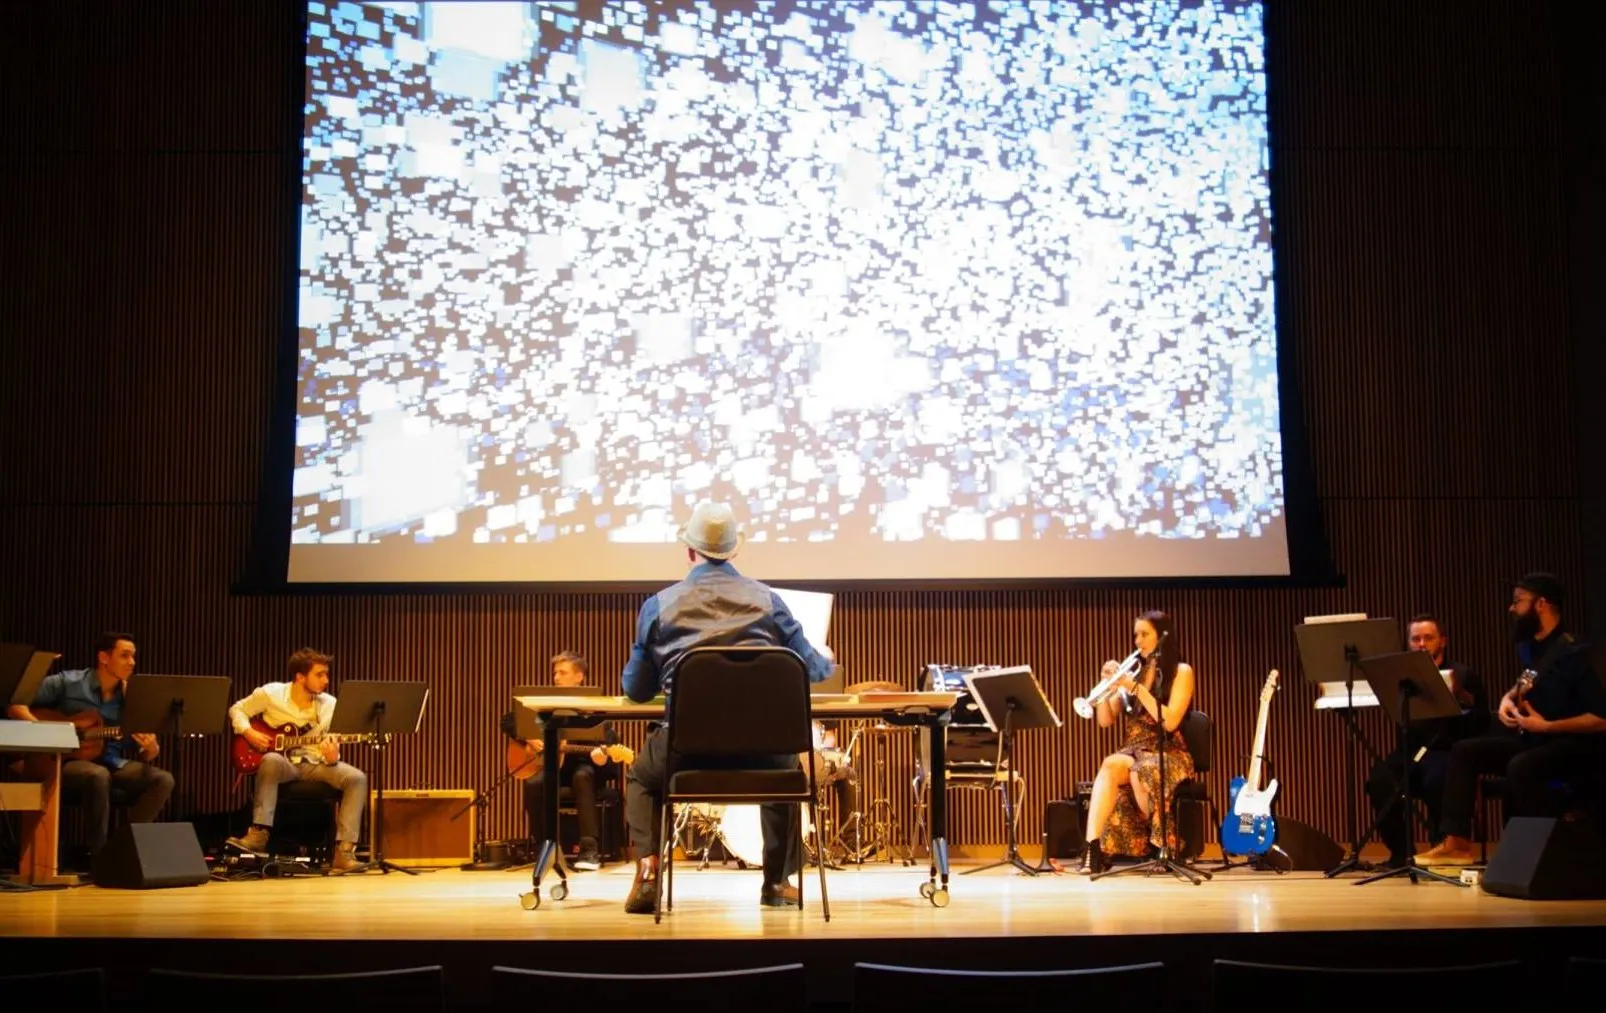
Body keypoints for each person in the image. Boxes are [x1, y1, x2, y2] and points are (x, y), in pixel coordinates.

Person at [619, 500, 836, 915]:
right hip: (764, 754)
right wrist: (825, 658)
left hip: (685, 751)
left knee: (643, 778)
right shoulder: (769, 601)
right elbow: (813, 669)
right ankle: (778, 881)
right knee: (787, 763)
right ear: (735, 551)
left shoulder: (659, 605)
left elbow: (637, 689)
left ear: (688, 551)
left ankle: (649, 871)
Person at [1418, 573, 1606, 864]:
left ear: (1541, 604)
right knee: (1465, 751)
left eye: (1518, 601)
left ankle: (1533, 855)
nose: (1511, 608)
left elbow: (1601, 718)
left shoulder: (1575, 653)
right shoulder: (1530, 647)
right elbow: (1528, 679)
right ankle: (1456, 842)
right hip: (1536, 739)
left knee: (1521, 766)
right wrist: (1509, 697)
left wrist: (1548, 726)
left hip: (1572, 745)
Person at [6, 632, 173, 871]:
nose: (132, 662)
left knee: (162, 779)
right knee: (97, 775)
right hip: (63, 762)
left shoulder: (132, 696)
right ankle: (99, 857)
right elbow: (17, 703)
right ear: (104, 658)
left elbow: (146, 752)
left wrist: (151, 747)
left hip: (112, 762)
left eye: (133, 656)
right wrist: (43, 734)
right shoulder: (68, 682)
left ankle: (123, 848)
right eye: (124, 656)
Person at [225, 648, 368, 873]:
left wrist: (334, 756)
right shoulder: (271, 694)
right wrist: (249, 732)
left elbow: (332, 741)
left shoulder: (329, 704)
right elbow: (237, 709)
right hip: (284, 765)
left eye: (326, 674)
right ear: (300, 677)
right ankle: (258, 834)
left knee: (357, 778)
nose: (326, 680)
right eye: (319, 675)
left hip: (315, 764)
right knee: (271, 759)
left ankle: (344, 853)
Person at [1363, 613, 1488, 867]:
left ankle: (1442, 848)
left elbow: (1481, 720)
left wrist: (1461, 695)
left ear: (1442, 641)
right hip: (1412, 751)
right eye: (1415, 639)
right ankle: (1401, 853)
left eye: (1428, 638)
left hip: (1447, 749)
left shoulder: (1462, 674)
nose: (1421, 644)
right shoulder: (1401, 678)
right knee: (1379, 780)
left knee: (1437, 779)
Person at [1082, 610, 1196, 874]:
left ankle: (1161, 845)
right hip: (1134, 748)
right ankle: (1092, 848)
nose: (1138, 641)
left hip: (1168, 750)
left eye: (1145, 634)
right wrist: (1106, 687)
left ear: (1163, 638)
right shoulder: (1136, 672)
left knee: (1139, 772)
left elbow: (1170, 721)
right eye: (1136, 635)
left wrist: (1136, 689)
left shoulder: (1181, 671)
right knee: (1111, 764)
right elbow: (1105, 720)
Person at [499, 650, 617, 871]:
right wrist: (530, 738)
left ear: (580, 676)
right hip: (554, 767)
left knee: (582, 775)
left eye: (562, 672)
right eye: (555, 673)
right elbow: (508, 720)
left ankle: (589, 850)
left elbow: (607, 744)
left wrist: (600, 756)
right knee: (534, 783)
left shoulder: (593, 708)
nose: (556, 677)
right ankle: (543, 847)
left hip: (582, 767)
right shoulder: (545, 705)